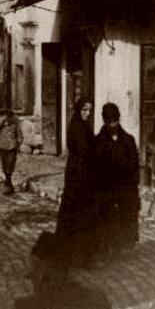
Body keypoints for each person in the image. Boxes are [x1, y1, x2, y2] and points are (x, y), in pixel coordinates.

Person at [94, 102, 140, 261]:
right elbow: (95, 167)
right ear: (105, 121)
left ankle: (119, 246)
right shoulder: (98, 142)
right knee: (106, 219)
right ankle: (106, 247)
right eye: (110, 122)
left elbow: (134, 164)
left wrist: (133, 185)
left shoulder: (128, 140)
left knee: (123, 217)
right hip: (106, 188)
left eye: (115, 121)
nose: (113, 124)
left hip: (124, 187)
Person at [56, 96, 96, 267]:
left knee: (82, 215)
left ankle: (80, 255)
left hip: (83, 173)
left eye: (90, 110)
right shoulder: (76, 127)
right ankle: (74, 255)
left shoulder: (84, 126)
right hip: (77, 175)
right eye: (85, 110)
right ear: (79, 110)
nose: (88, 113)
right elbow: (83, 150)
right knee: (76, 214)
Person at [0, 108, 23, 194]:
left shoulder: (15, 124)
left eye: (6, 117)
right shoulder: (0, 125)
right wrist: (0, 123)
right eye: (2, 117)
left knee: (10, 165)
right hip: (2, 147)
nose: (5, 119)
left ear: (10, 117)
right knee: (4, 166)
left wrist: (17, 144)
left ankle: (8, 183)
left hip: (12, 148)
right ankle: (8, 183)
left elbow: (20, 136)